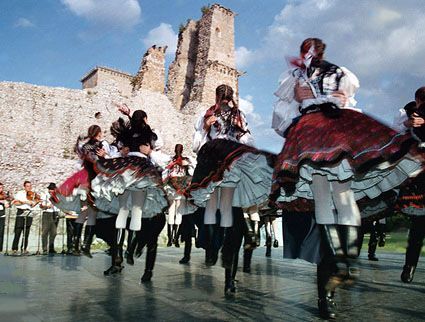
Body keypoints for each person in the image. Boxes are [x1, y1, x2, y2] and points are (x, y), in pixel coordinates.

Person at [271, 38, 422, 319]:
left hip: (329, 129)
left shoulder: (332, 73)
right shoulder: (305, 76)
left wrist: (322, 100)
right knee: (330, 198)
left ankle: (343, 262)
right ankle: (339, 267)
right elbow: (285, 117)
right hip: (315, 131)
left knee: (336, 196)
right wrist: (308, 102)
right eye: (308, 52)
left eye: (312, 52)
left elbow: (286, 118)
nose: (310, 56)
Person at [188, 84, 274, 295]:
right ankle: (228, 278)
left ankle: (217, 258)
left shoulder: (216, 114)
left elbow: (197, 145)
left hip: (220, 160)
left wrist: (207, 130)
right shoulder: (218, 115)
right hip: (229, 159)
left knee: (218, 212)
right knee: (228, 214)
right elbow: (247, 140)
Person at [396, 86, 425, 283]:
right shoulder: (406, 113)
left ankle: (410, 266)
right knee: (419, 225)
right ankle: (410, 266)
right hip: (419, 172)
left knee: (418, 226)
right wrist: (409, 122)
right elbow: (395, 131)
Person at [163, 144, 197, 248]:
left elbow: (189, 173)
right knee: (175, 211)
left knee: (176, 212)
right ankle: (172, 238)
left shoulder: (183, 161)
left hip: (178, 187)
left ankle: (174, 238)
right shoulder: (175, 160)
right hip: (175, 188)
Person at [11, 181, 41, 255]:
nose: (29, 187)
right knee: (18, 231)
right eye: (27, 186)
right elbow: (15, 203)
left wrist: (35, 202)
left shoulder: (32, 194)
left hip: (29, 212)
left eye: (30, 186)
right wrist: (25, 202)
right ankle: (14, 248)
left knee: (26, 231)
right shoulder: (20, 193)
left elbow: (35, 202)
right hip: (21, 211)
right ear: (24, 187)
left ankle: (24, 248)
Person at [40, 183, 60, 254]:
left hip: (56, 213)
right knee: (45, 232)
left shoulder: (58, 196)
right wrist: (47, 206)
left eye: (53, 189)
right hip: (47, 213)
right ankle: (45, 249)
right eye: (50, 189)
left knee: (54, 232)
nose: (51, 190)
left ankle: (51, 248)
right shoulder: (45, 195)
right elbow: (41, 206)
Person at [0, 183, 11, 253]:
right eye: (0, 188)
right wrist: (2, 201)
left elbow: (8, 204)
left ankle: (0, 249)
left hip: (2, 215)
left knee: (1, 233)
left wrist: (7, 203)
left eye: (1, 188)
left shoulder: (3, 195)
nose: (1, 189)